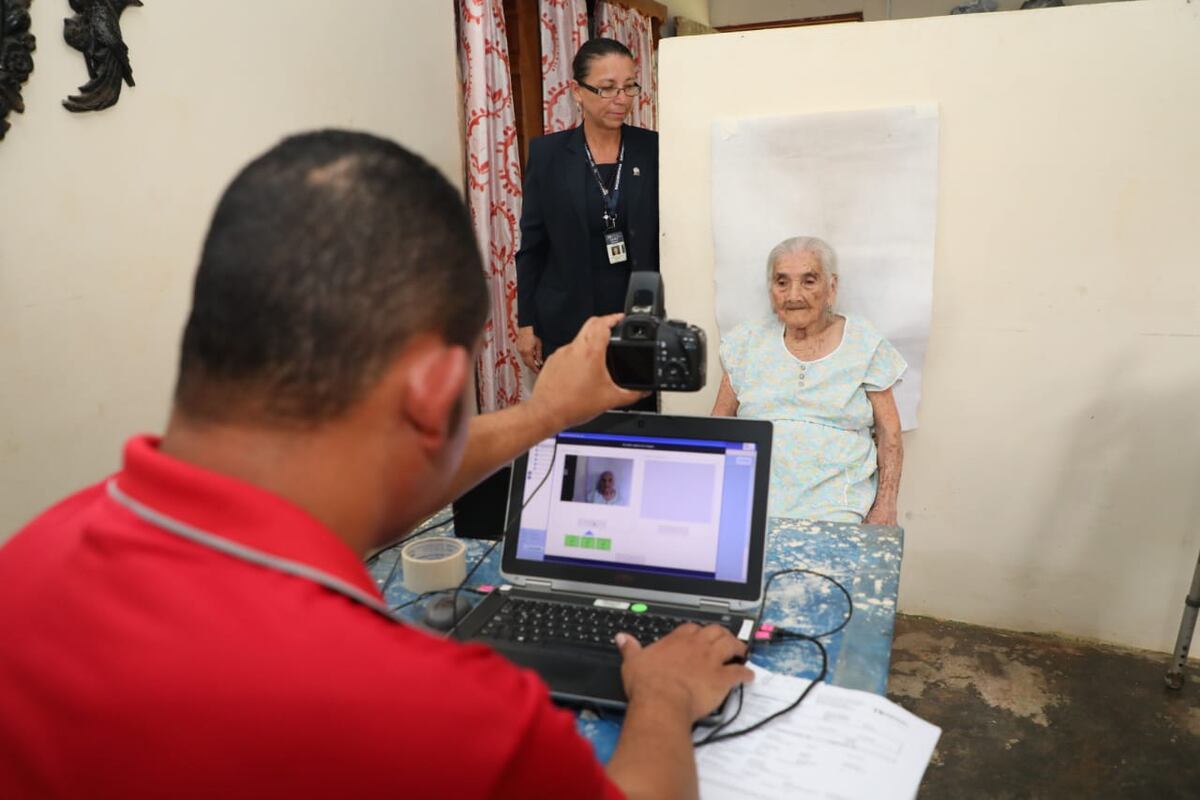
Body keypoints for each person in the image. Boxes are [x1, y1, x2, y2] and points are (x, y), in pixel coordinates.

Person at [0, 131, 752, 800]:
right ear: (434, 391)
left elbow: (401, 470)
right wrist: (659, 695)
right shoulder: (418, 709)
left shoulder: (28, 563)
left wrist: (544, 415)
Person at [712, 236, 906, 525]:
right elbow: (719, 424)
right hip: (751, 497)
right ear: (771, 289)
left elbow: (890, 434)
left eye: (809, 281)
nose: (794, 295)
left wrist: (886, 504)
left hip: (837, 504)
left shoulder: (864, 343)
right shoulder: (745, 342)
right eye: (782, 282)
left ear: (832, 287)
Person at [515, 38, 658, 411]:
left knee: (636, 419)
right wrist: (526, 321)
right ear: (576, 92)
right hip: (567, 316)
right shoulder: (548, 155)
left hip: (636, 315)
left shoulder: (653, 149)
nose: (622, 98)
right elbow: (532, 245)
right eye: (607, 88)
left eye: (629, 86)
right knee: (576, 421)